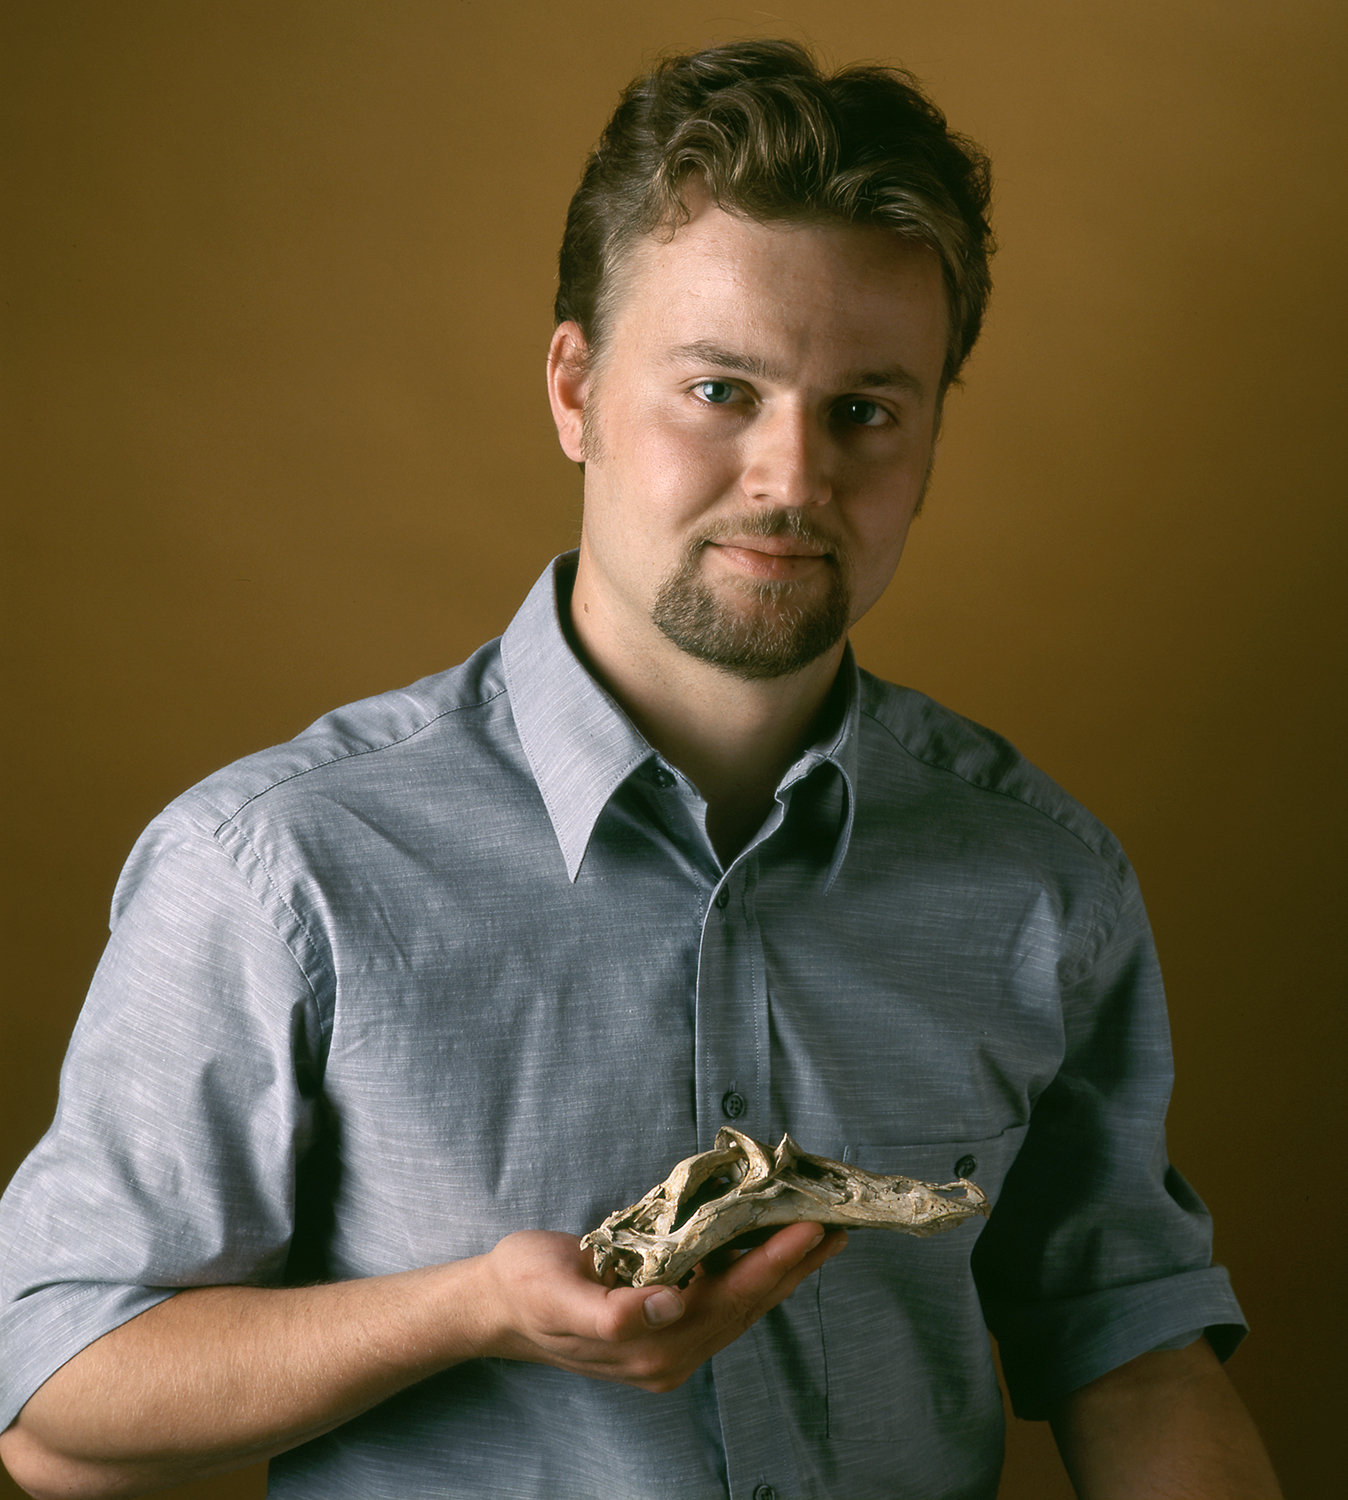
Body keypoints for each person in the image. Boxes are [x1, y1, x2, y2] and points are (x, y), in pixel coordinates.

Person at [0, 39, 1281, 1500]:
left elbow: (1130, 1344)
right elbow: (55, 1401)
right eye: (721, 389)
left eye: (867, 408)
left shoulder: (1045, 878)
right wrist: (475, 1306)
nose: (793, 480)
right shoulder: (281, 868)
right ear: (575, 388)